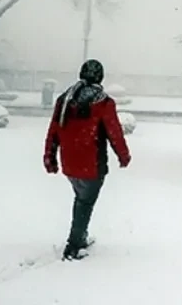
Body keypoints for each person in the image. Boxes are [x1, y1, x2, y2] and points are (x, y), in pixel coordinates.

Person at [43, 58, 131, 260]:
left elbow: (54, 130)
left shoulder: (65, 100)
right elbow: (114, 133)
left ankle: (80, 236)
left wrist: (50, 157)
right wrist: (123, 156)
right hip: (93, 165)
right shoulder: (103, 103)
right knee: (85, 202)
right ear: (101, 77)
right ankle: (73, 246)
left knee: (81, 199)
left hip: (70, 164)